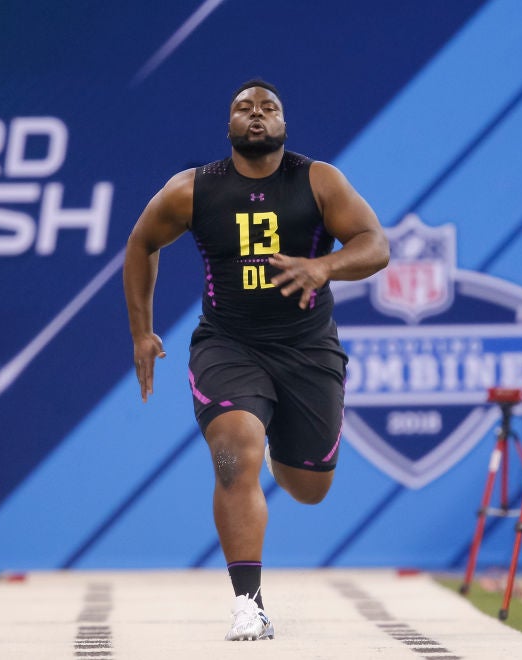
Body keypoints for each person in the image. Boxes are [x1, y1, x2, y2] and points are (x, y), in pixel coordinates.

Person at [123, 78, 389, 641]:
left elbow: (374, 243)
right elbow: (141, 242)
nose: (257, 114)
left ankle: (282, 452)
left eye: (269, 107)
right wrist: (142, 332)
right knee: (233, 452)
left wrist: (323, 267)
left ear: (284, 124)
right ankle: (249, 602)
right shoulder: (192, 189)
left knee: (309, 487)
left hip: (307, 348)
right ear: (229, 127)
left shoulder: (317, 179)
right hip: (228, 344)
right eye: (244, 108)